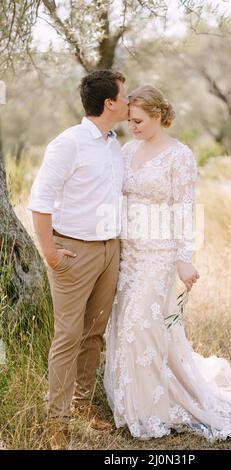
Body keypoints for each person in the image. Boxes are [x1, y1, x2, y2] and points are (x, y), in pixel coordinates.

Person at [104, 85, 231, 441]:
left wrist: (184, 259)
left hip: (160, 254)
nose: (131, 126)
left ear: (158, 116)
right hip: (128, 252)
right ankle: (138, 402)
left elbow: (185, 210)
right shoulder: (128, 149)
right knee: (127, 326)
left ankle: (154, 409)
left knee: (139, 325)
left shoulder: (180, 155)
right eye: (129, 120)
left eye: (138, 120)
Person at [28, 70, 129, 449]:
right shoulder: (67, 144)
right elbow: (39, 202)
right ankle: (57, 422)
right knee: (68, 336)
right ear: (110, 103)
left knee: (94, 334)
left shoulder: (113, 144)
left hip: (110, 250)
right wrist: (50, 253)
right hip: (73, 251)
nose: (130, 99)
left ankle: (83, 405)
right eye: (126, 94)